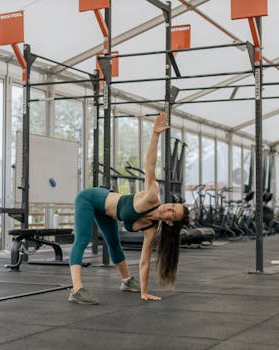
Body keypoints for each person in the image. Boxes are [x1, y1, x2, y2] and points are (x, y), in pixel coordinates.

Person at [68, 112, 189, 305]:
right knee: (82, 240)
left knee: (114, 242)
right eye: (172, 205)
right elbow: (150, 164)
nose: (168, 207)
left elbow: (144, 261)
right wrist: (155, 135)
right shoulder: (151, 196)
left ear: (169, 222)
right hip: (89, 198)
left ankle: (127, 281)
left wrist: (144, 291)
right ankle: (76, 289)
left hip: (107, 211)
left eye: (172, 212)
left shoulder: (151, 229)